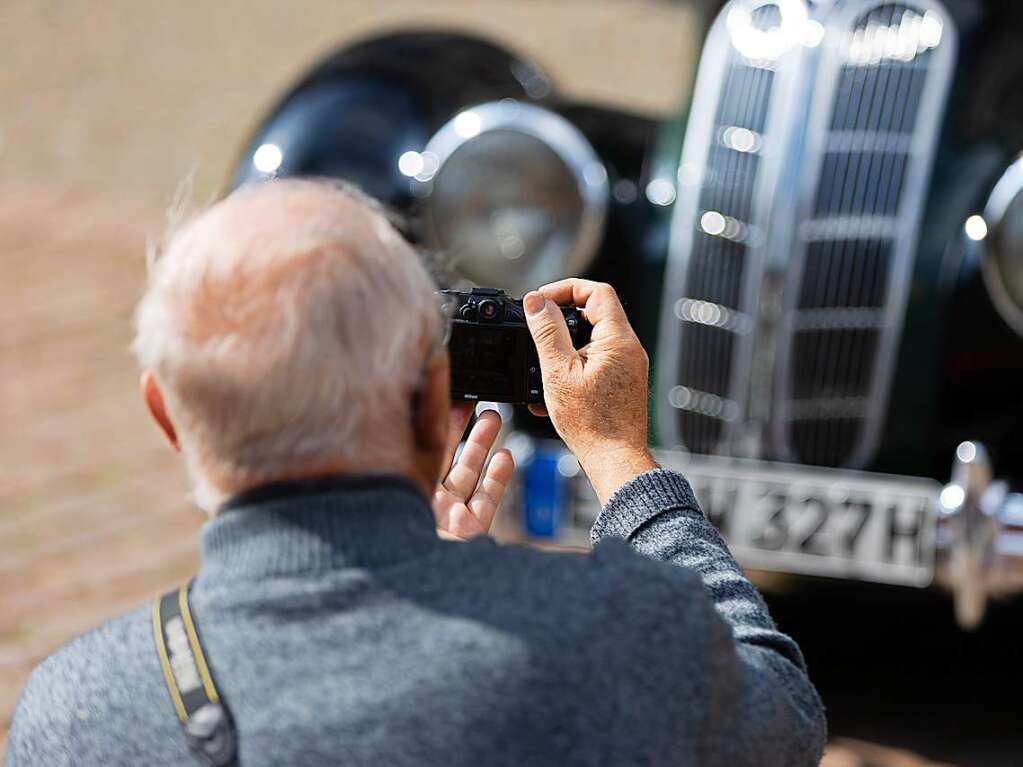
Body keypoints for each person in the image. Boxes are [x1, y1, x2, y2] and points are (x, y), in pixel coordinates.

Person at [6, 179, 826, 766]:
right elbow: (782, 718)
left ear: (165, 416)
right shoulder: (615, 632)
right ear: (433, 391)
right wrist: (617, 455)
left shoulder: (70, 709)